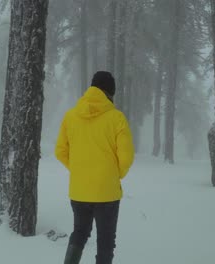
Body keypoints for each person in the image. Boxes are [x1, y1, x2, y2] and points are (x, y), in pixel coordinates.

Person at [55, 71, 135, 264]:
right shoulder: (117, 118)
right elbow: (127, 156)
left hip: (79, 191)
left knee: (80, 233)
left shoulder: (70, 116)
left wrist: (79, 170)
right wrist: (115, 175)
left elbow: (60, 151)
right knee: (106, 242)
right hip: (107, 193)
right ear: (109, 93)